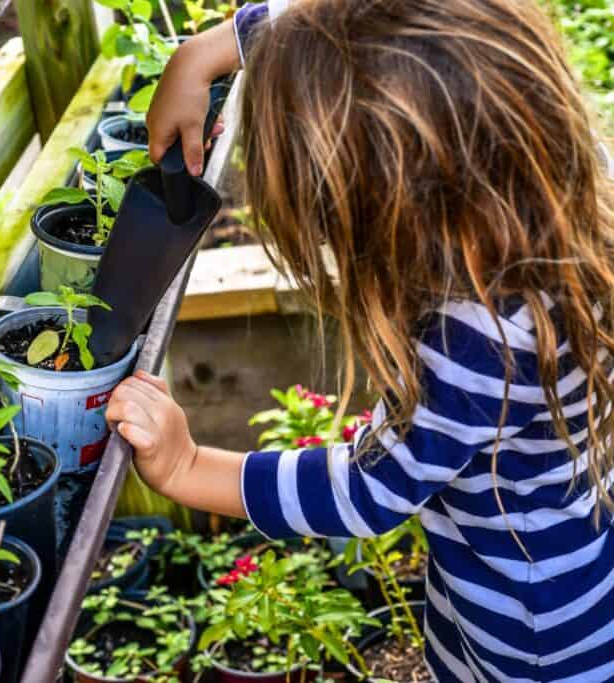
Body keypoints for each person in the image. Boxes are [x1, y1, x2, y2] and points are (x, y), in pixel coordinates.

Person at [105, 1, 614, 680]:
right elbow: (392, 20)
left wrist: (187, 465)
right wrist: (216, 46)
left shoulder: (473, 342)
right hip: (570, 559)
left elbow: (365, 490)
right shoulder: (566, 180)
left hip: (528, 641)